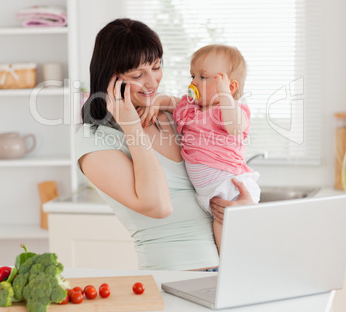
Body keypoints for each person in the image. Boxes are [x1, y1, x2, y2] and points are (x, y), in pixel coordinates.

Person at [75, 18, 254, 271]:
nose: (152, 82)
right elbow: (158, 206)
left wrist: (244, 208)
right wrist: (132, 128)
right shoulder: (94, 139)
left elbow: (224, 167)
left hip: (230, 272)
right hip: (174, 277)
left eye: (157, 67)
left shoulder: (175, 114)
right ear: (111, 79)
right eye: (138, 75)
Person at [140, 45, 260, 252]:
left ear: (229, 87)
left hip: (229, 184)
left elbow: (236, 127)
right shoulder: (191, 107)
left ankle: (234, 264)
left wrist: (225, 96)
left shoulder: (229, 110)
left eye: (203, 77)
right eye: (192, 76)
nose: (194, 82)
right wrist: (157, 100)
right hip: (210, 195)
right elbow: (171, 102)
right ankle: (230, 264)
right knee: (220, 228)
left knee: (234, 238)